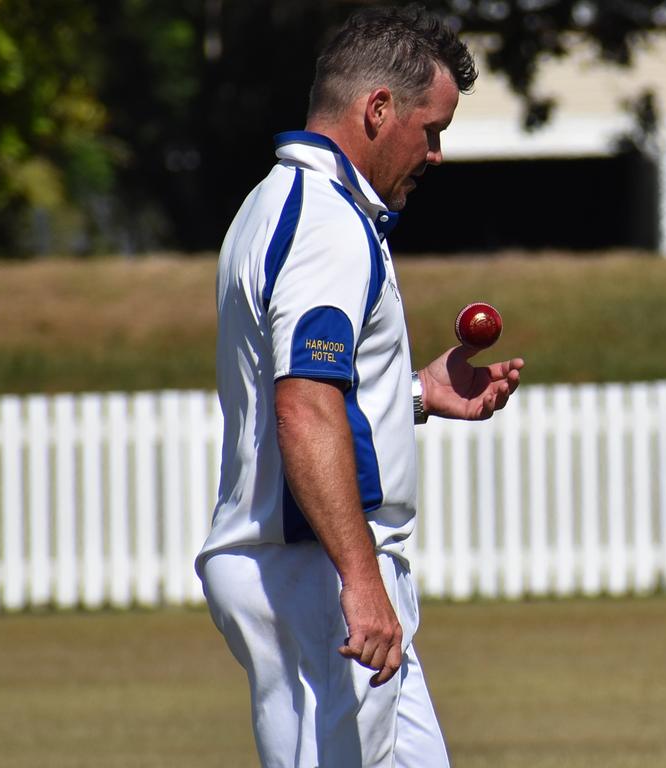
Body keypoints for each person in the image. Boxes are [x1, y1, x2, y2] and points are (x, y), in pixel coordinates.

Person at [195, 7, 524, 767]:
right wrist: (359, 578)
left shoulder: (284, 206)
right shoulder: (325, 226)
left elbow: (314, 389)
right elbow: (303, 404)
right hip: (315, 571)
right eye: (431, 130)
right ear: (378, 109)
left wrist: (413, 395)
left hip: (313, 560)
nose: (436, 154)